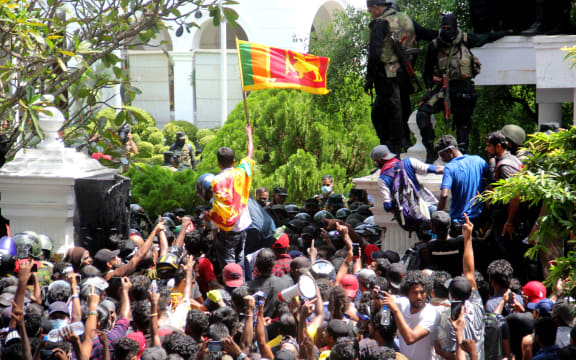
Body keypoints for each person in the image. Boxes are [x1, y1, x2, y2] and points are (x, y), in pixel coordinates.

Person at [416, 14, 509, 158]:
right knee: (422, 113)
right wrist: (429, 89)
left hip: (464, 88)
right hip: (444, 87)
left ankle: (462, 153)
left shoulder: (466, 39)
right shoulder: (435, 45)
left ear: (455, 28)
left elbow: (486, 37)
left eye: (449, 28)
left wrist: (506, 33)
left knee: (463, 122)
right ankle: (430, 150)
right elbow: (427, 72)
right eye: (443, 28)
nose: (446, 31)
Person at [365, 0, 438, 154]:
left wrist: (369, 79)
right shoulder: (406, 19)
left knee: (381, 112)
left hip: (387, 73)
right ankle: (404, 141)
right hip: (405, 71)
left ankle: (393, 147)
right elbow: (427, 34)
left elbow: (375, 54)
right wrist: (446, 33)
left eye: (370, 10)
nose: (370, 13)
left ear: (377, 7)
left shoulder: (380, 23)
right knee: (402, 108)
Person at [205, 125, 254, 270]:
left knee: (230, 264)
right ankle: (242, 285)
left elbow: (220, 209)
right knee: (240, 259)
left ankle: (233, 288)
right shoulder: (242, 172)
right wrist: (249, 135)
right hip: (243, 225)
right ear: (234, 161)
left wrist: (208, 216)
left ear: (219, 163)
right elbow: (250, 154)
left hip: (229, 230)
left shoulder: (217, 181)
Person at [382, 270, 439, 360]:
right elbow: (386, 299)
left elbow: (410, 338)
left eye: (422, 292)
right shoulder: (402, 303)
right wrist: (378, 296)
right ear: (407, 293)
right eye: (415, 293)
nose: (419, 297)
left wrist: (396, 311)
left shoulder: (431, 313)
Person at [370, 144, 442, 214]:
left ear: (380, 160)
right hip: (426, 205)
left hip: (409, 216)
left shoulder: (383, 179)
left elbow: (388, 205)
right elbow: (436, 169)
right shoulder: (409, 162)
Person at [435, 134, 488, 228]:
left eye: (442, 155)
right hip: (480, 219)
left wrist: (437, 219)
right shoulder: (479, 160)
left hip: (460, 222)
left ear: (450, 150)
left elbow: (444, 195)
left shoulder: (450, 168)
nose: (442, 160)